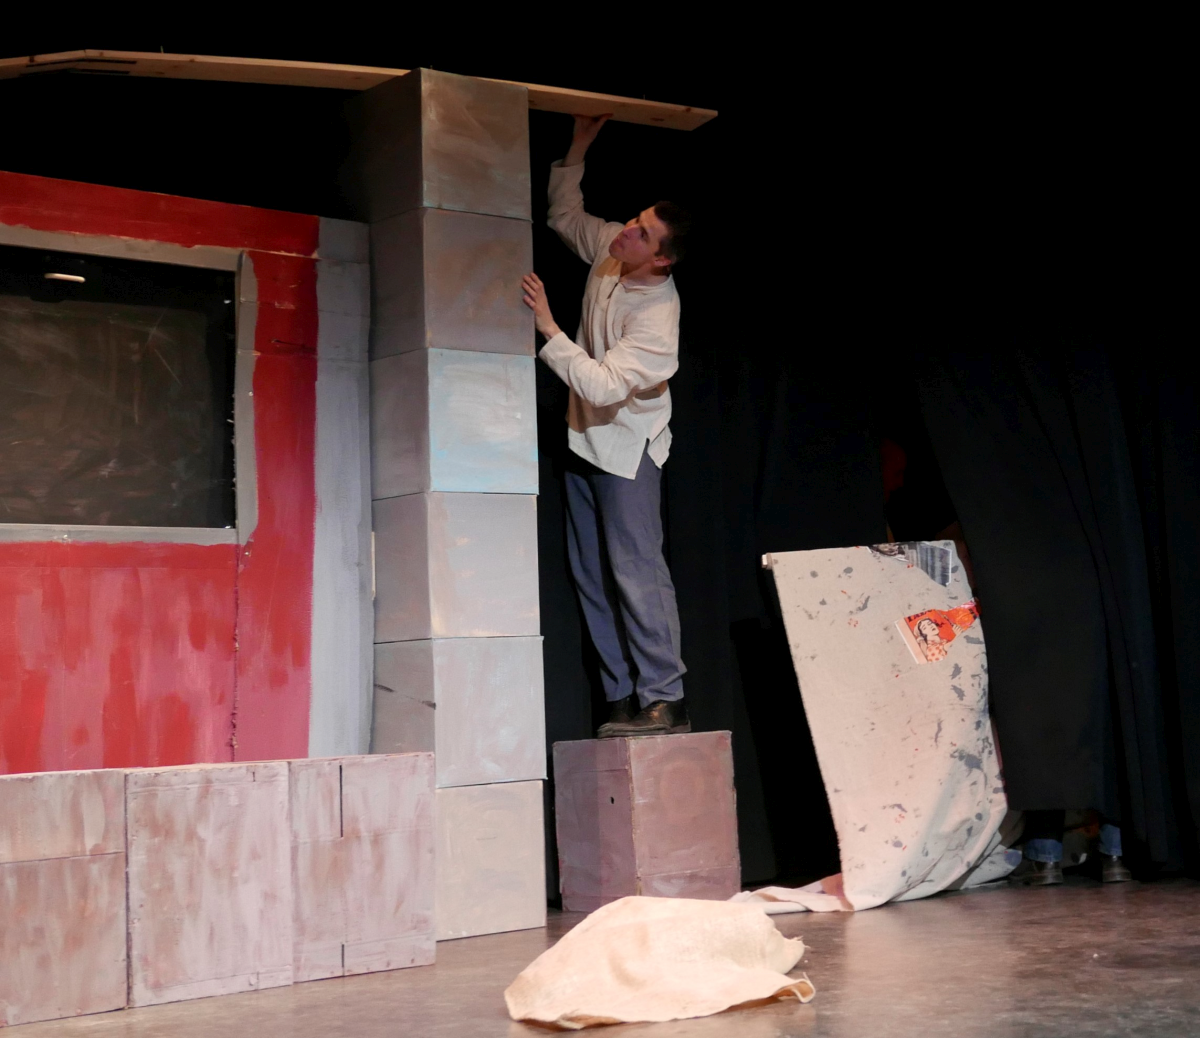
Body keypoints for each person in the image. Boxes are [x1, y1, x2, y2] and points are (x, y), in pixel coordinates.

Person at [521, 113, 691, 738]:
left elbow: (599, 383)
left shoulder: (657, 321)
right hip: (583, 439)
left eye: (642, 233)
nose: (626, 231)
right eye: (634, 219)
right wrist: (579, 147)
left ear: (662, 259)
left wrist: (548, 327)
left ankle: (666, 698)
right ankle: (621, 696)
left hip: (627, 451)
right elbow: (565, 216)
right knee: (592, 574)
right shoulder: (612, 256)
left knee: (636, 572)